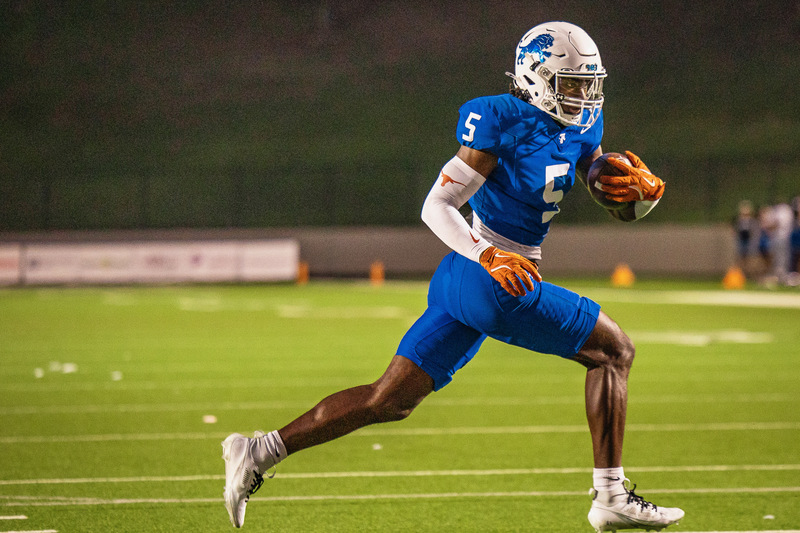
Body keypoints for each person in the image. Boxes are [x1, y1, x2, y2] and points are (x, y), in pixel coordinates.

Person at [222, 21, 684, 532]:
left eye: (586, 83)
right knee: (614, 352)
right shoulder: (498, 120)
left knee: (389, 400)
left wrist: (641, 197)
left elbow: (603, 187)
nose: (581, 95)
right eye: (569, 83)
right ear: (534, 77)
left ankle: (257, 451)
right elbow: (436, 204)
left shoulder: (585, 123)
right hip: (492, 277)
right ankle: (611, 497)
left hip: (467, 281)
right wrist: (487, 254)